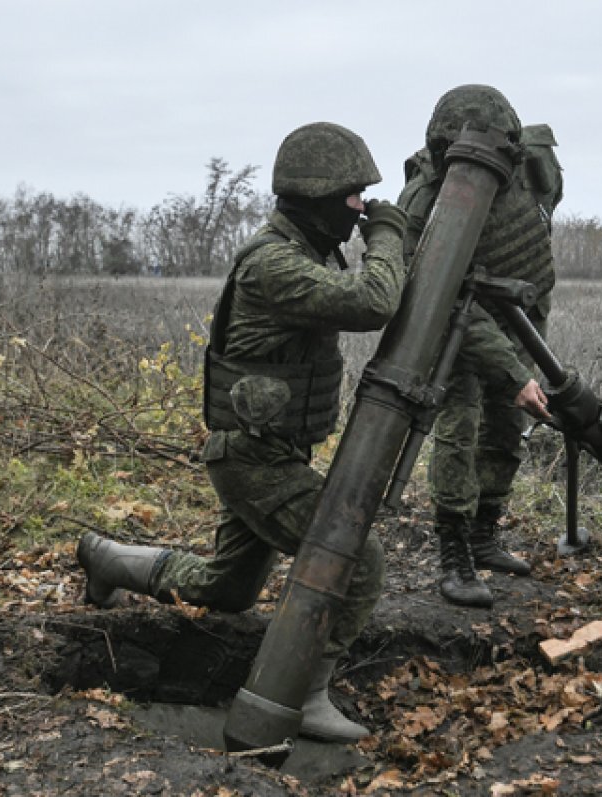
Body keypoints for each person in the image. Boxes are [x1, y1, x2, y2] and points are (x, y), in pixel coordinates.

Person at [76, 122, 409, 743]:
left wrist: (396, 225)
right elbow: (373, 303)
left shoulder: (305, 251)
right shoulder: (275, 265)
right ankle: (303, 694)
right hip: (254, 461)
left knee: (227, 589)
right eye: (354, 196)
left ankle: (106, 560)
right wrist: (388, 236)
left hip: (265, 453)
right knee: (357, 562)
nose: (361, 207)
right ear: (317, 198)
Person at [398, 85, 562, 609]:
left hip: (518, 317)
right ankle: (454, 555)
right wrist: (514, 375)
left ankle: (485, 535)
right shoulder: (424, 201)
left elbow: (535, 241)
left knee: (505, 426)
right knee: (459, 426)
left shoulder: (537, 170)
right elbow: (437, 299)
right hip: (452, 328)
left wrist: (522, 359)